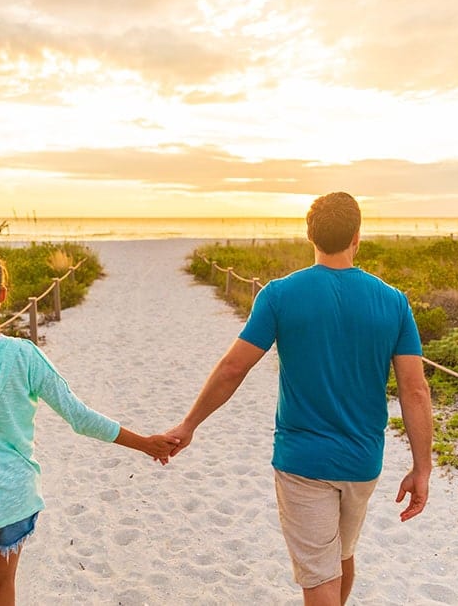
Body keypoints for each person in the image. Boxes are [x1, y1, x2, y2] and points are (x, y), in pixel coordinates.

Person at [166, 192, 433, 606]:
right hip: (363, 461)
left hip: (304, 461)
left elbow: (234, 368)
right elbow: (415, 390)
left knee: (320, 577)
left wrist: (189, 425)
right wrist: (422, 467)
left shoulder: (279, 295)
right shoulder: (393, 301)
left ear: (310, 235)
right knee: (340, 558)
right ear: (357, 236)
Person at [0, 247, 177, 606]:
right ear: (1, 296)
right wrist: (145, 443)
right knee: (1, 591)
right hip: (12, 495)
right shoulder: (23, 355)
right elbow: (79, 417)